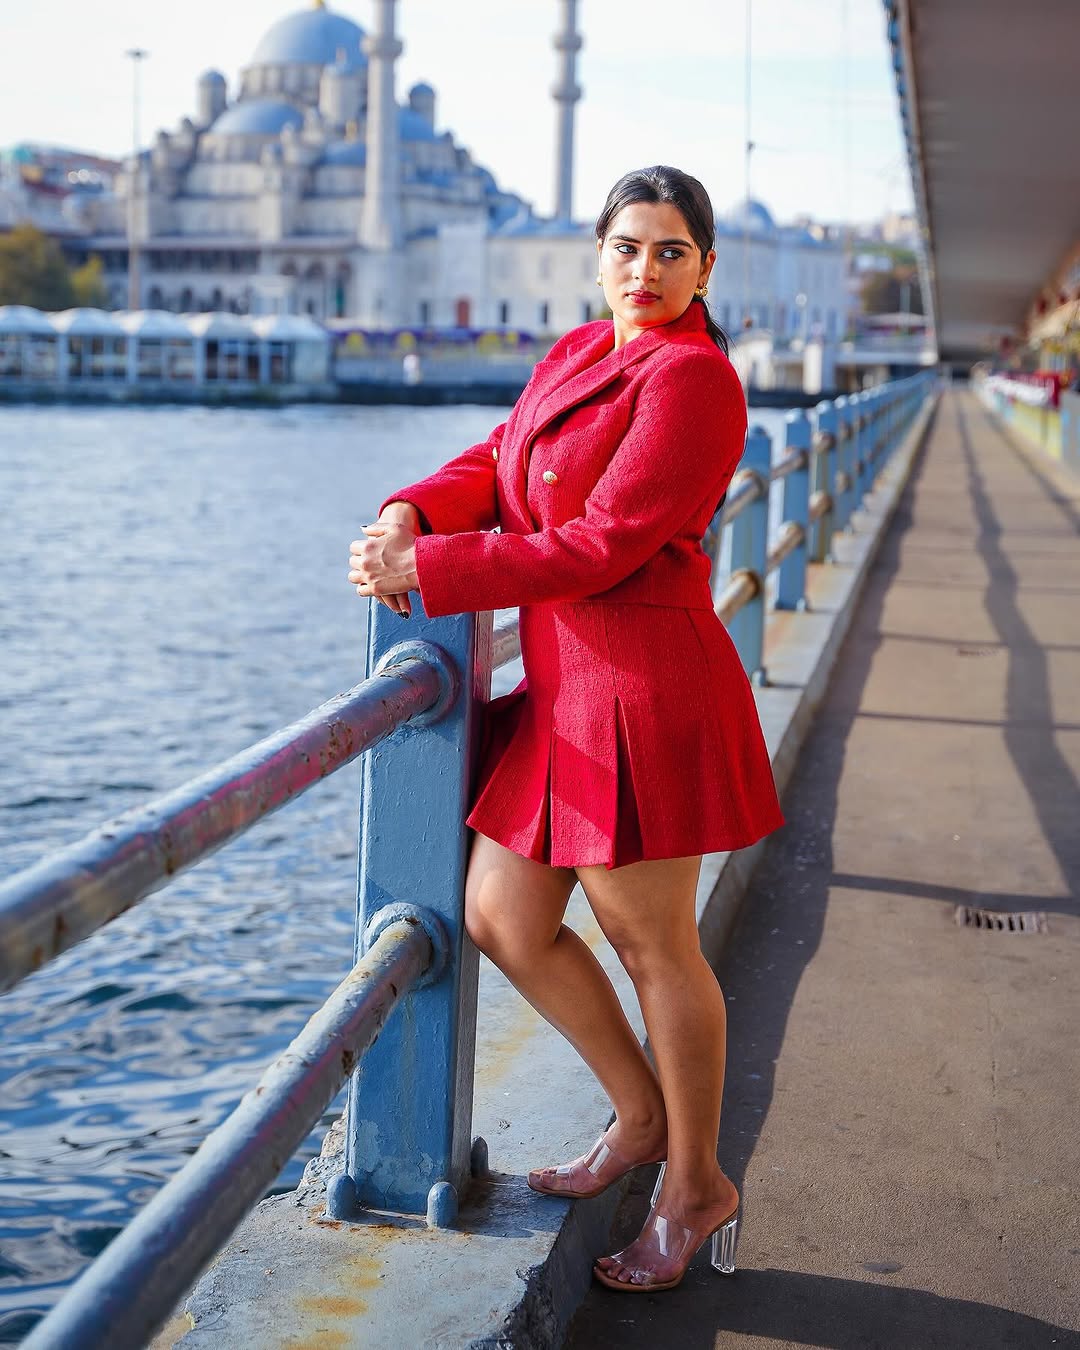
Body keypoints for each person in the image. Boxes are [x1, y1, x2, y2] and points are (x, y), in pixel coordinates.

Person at [347, 165, 783, 1292]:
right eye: (628, 248)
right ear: (599, 256)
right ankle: (638, 1117)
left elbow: (603, 544)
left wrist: (430, 570)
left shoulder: (693, 380)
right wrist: (410, 510)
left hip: (641, 691)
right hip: (563, 697)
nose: (646, 270)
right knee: (501, 915)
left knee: (654, 946)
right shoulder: (583, 352)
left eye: (671, 251)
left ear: (706, 267)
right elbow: (499, 460)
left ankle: (696, 1187)